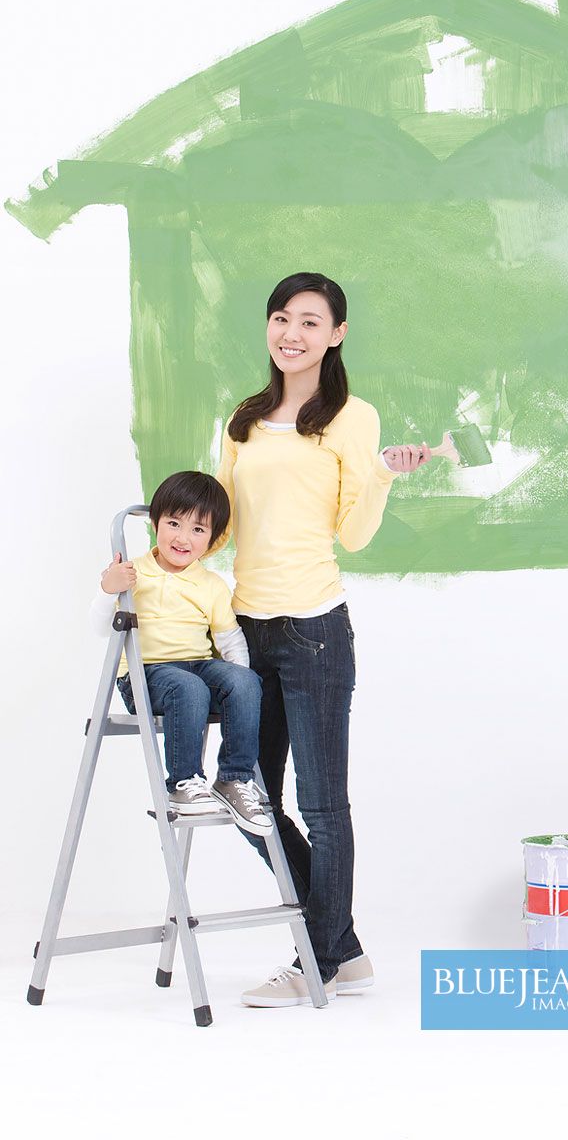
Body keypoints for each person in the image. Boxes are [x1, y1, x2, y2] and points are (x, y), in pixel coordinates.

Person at [215, 271, 428, 1007]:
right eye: (281, 317)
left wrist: (384, 478)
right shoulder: (242, 418)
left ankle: (320, 959)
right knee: (246, 793)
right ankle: (340, 943)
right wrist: (162, 543)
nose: (291, 333)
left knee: (323, 805)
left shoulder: (351, 417)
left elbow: (354, 532)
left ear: (335, 334)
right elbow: (223, 525)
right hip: (244, 631)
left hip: (313, 631)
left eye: (310, 321)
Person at [90, 470, 272, 837]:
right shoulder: (132, 572)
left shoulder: (211, 585)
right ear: (156, 522)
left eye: (198, 530)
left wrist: (239, 687)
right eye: (174, 523)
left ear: (213, 539)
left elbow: (231, 639)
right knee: (188, 687)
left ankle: (234, 779)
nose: (183, 538)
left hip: (199, 667)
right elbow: (99, 629)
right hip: (147, 674)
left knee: (245, 679)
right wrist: (108, 590)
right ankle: (184, 782)